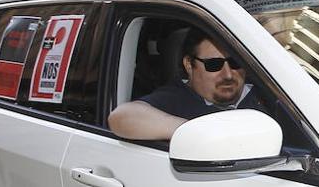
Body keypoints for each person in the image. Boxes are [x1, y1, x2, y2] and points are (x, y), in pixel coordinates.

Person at [108, 30, 263, 140]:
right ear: (189, 65)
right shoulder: (175, 99)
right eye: (214, 65)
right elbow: (120, 118)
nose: (228, 74)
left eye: (235, 62)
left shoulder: (270, 90)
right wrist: (194, 132)